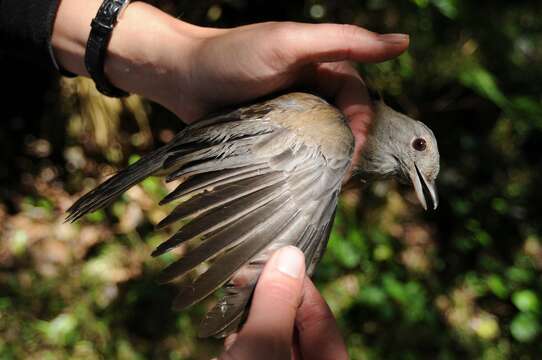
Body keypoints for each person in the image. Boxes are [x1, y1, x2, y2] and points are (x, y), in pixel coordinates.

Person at [2, 1, 409, 358]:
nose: (420, 167)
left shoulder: (335, 131)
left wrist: (181, 60)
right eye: (420, 147)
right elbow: (289, 197)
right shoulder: (334, 133)